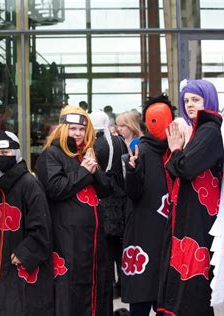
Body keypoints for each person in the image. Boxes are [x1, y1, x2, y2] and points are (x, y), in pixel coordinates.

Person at [35, 105, 112, 316]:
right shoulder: (51, 155)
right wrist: (84, 171)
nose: (77, 133)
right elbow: (55, 189)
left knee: (96, 288)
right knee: (70, 292)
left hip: (93, 241)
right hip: (67, 240)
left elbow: (106, 190)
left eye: (81, 129)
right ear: (62, 129)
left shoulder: (85, 154)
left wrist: (93, 170)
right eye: (72, 128)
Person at [158, 79, 224, 315]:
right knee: (186, 275)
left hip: (197, 216)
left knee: (193, 278)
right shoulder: (201, 129)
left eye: (196, 99)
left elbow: (185, 168)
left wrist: (176, 149)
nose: (189, 105)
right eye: (186, 100)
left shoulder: (210, 129)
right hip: (191, 212)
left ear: (208, 100)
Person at [0, 129, 54, 315]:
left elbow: (42, 227)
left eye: (5, 153)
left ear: (15, 152)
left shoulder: (29, 184)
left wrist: (25, 253)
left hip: (20, 263)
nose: (0, 157)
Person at [121, 95, 174, 316]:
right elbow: (133, 193)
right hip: (143, 230)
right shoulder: (140, 150)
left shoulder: (177, 147)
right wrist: (132, 171)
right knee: (141, 294)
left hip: (171, 230)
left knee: (168, 295)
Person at [90, 110, 128, 299]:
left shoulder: (95, 144)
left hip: (103, 196)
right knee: (119, 244)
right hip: (120, 195)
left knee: (106, 244)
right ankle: (123, 282)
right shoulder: (119, 141)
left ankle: (111, 284)